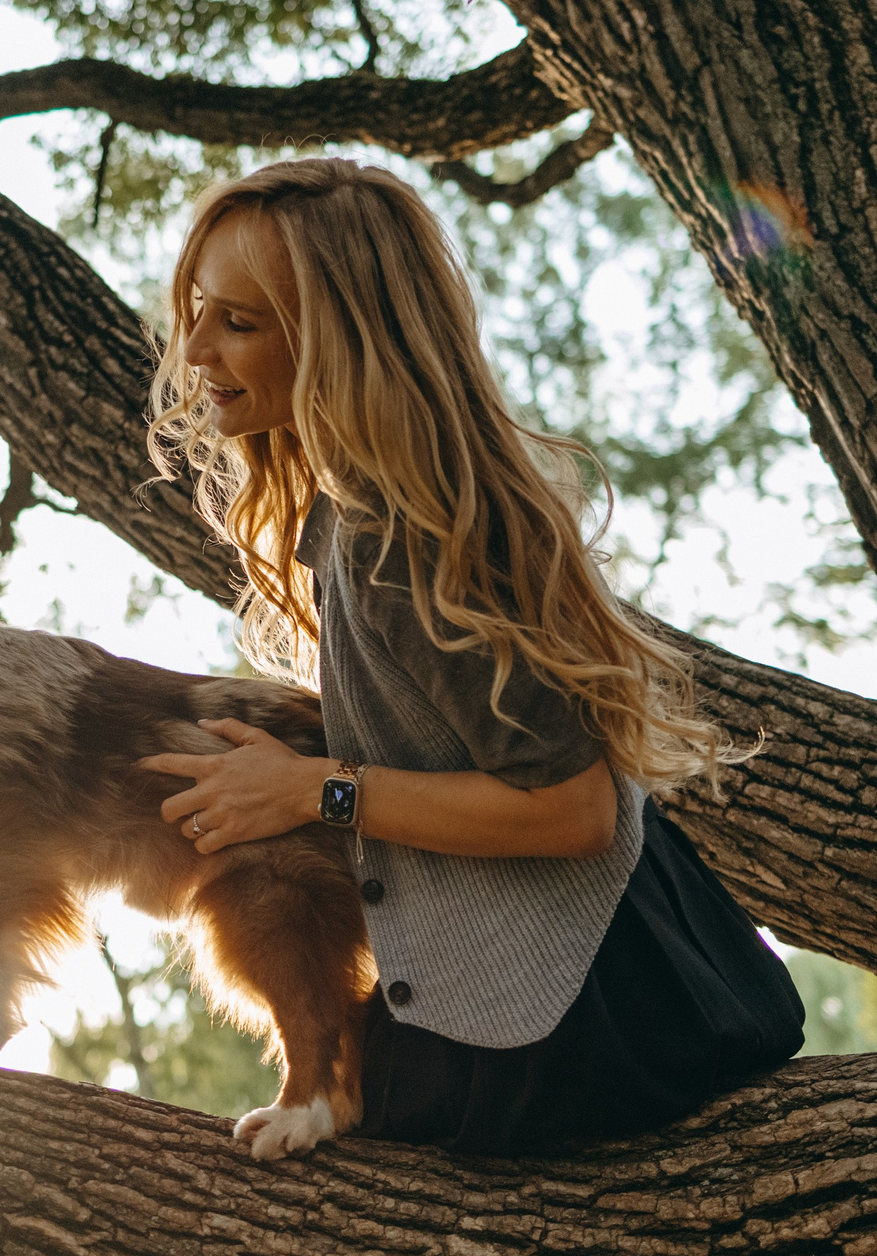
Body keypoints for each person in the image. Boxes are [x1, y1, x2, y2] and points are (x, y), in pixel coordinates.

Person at [138, 158, 804, 1156]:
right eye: (198, 309)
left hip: (575, 1024)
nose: (194, 348)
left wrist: (311, 792)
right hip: (587, 982)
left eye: (239, 321)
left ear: (336, 340)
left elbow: (571, 809)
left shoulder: (401, 538)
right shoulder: (367, 514)